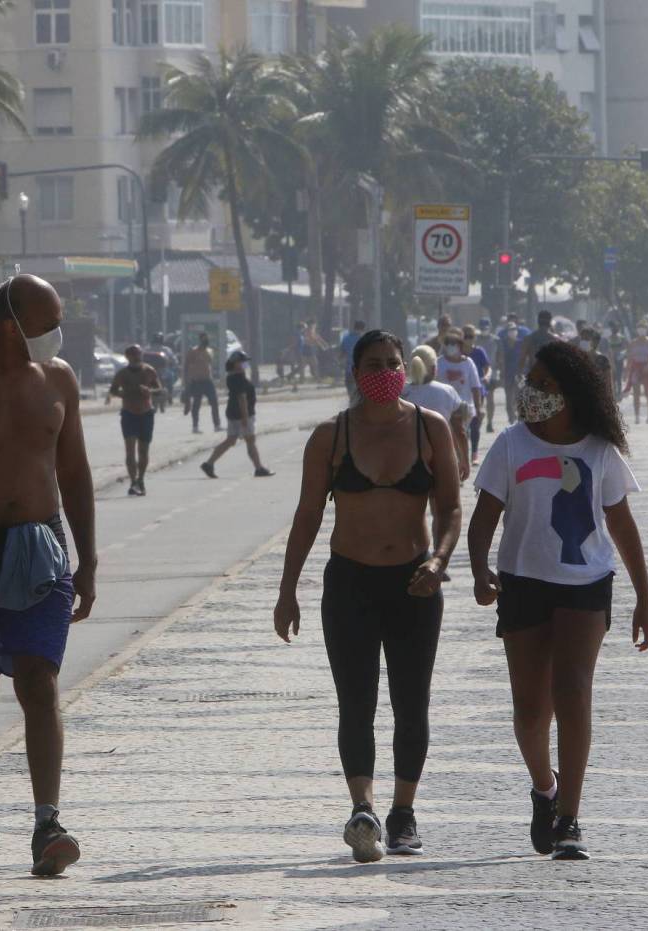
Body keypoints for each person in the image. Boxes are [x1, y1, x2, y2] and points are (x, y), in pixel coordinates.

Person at [274, 330, 461, 862]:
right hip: (350, 583)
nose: (384, 371)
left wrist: (439, 560)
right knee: (355, 702)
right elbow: (308, 515)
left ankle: (403, 812)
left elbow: (448, 507)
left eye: (393, 362)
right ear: (356, 373)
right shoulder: (331, 437)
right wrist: (288, 590)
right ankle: (363, 807)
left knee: (411, 700)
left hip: (414, 583)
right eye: (373, 363)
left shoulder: (431, 429)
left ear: (407, 367)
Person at [468, 341, 648, 861]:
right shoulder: (511, 444)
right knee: (530, 709)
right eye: (531, 380)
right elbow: (484, 518)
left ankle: (570, 817)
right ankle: (545, 790)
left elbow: (621, 523)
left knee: (572, 691)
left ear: (570, 393)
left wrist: (644, 596)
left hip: (585, 583)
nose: (533, 391)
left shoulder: (600, 450)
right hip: (522, 582)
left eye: (544, 383)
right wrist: (481, 569)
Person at [0, 275, 96, 875]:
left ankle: (48, 821)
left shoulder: (59, 380)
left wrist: (90, 558)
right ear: (10, 323)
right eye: (48, 322)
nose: (57, 334)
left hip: (39, 546)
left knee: (38, 682)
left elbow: (74, 473)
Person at [200, 350, 274, 479]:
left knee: (231, 440)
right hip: (242, 415)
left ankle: (209, 463)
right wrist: (245, 418)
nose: (245, 364)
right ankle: (258, 468)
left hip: (233, 413)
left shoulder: (232, 377)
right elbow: (242, 398)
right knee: (250, 440)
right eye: (242, 362)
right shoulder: (239, 378)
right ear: (235, 364)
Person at [403, 344, 469, 481]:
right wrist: (464, 460)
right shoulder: (447, 391)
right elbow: (459, 431)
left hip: (408, 456)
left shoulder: (402, 394)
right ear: (434, 368)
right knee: (440, 500)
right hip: (442, 455)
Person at [109, 345, 162, 496]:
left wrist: (149, 391)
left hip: (146, 413)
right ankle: (133, 481)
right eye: (133, 354)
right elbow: (113, 390)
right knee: (130, 451)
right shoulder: (122, 374)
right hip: (129, 414)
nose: (137, 357)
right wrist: (123, 394)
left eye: (138, 354)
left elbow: (159, 390)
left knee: (143, 450)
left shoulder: (149, 371)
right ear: (127, 356)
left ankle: (141, 479)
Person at [436, 328, 483, 465]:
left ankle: (461, 463)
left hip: (464, 408)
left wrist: (478, 408)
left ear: (460, 346)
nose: (451, 347)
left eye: (454, 344)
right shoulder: (439, 362)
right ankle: (455, 465)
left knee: (461, 436)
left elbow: (475, 387)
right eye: (448, 344)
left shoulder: (468, 363)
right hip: (444, 407)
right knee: (449, 438)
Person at [462, 324, 490, 465]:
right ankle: (462, 453)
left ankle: (474, 453)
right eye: (465, 336)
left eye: (471, 336)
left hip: (478, 391)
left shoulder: (479, 352)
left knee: (475, 423)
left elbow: (487, 367)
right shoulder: (458, 353)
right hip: (460, 392)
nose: (468, 339)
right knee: (461, 426)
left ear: (475, 338)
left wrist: (486, 377)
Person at [183, 333, 221, 434]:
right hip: (196, 381)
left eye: (207, 339)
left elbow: (209, 365)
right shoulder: (193, 351)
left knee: (214, 402)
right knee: (196, 404)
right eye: (204, 339)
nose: (206, 341)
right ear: (200, 340)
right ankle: (195, 427)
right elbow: (186, 366)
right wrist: (186, 381)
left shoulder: (210, 351)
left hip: (208, 381)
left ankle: (217, 425)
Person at [623, 322, 648, 424]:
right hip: (636, 369)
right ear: (637, 330)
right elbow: (629, 358)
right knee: (636, 393)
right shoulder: (633, 343)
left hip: (647, 368)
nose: (641, 330)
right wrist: (626, 371)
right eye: (639, 328)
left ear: (646, 329)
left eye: (643, 328)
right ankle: (637, 416)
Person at [497, 322, 524, 424]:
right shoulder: (502, 343)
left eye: (514, 329)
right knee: (509, 399)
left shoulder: (521, 343)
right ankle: (511, 419)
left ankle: (519, 419)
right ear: (506, 332)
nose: (513, 332)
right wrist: (501, 373)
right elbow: (500, 358)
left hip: (519, 374)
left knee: (518, 398)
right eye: (510, 330)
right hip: (507, 374)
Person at [519, 309, 558, 375]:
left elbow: (522, 358)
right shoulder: (555, 339)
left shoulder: (528, 338)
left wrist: (519, 373)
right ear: (550, 322)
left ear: (538, 322)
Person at [477, 317, 499, 432]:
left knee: (490, 399)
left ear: (490, 327)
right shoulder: (476, 340)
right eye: (482, 328)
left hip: (492, 373)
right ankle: (477, 423)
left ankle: (490, 423)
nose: (484, 329)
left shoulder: (495, 340)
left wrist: (501, 371)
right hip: (478, 373)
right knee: (479, 400)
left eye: (486, 327)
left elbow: (499, 356)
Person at [578, 327, 613, 392]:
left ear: (595, 342)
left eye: (587, 339)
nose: (584, 341)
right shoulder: (575, 359)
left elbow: (608, 383)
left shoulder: (603, 360)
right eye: (582, 339)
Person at [339, 319, 366, 402]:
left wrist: (339, 363)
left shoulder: (346, 338)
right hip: (362, 371)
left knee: (351, 394)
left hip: (349, 371)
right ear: (363, 329)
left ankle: (353, 407)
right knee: (361, 395)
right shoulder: (364, 340)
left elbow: (341, 355)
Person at [607, 320, 628, 401]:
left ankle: (619, 393)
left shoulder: (622, 338)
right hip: (611, 359)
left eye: (616, 327)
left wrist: (622, 354)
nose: (614, 329)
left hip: (619, 359)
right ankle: (614, 393)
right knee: (613, 377)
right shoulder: (609, 338)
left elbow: (625, 348)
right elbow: (608, 349)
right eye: (613, 327)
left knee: (618, 377)